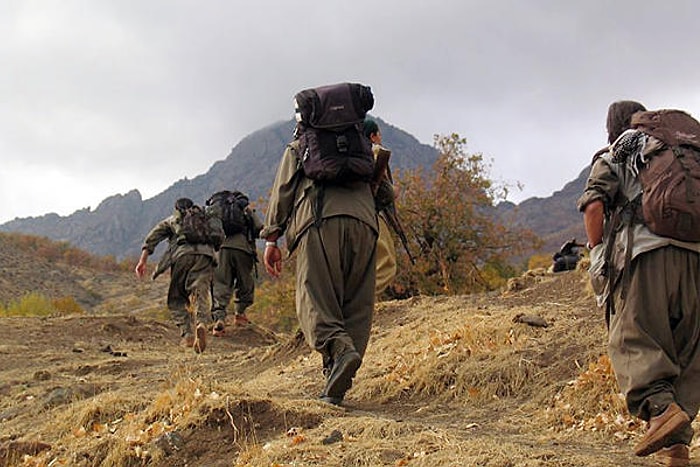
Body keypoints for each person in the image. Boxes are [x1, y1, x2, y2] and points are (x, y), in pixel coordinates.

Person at [578, 100, 700, 466]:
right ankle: (675, 448)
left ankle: (661, 411)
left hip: (646, 258)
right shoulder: (682, 152)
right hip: (697, 260)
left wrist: (597, 249)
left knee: (632, 339)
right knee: (687, 353)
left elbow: (595, 206)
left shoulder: (622, 149)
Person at [261, 95, 378, 406]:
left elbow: (283, 190)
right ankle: (336, 381)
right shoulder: (362, 143)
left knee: (313, 297)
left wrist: (272, 239)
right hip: (366, 225)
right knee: (355, 303)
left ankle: (339, 351)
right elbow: (386, 192)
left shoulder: (301, 146)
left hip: (319, 220)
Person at [135, 197, 223, 353]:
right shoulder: (204, 219)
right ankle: (201, 323)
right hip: (206, 256)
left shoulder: (173, 220)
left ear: (177, 208)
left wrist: (142, 261)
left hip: (182, 256)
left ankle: (187, 334)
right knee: (200, 292)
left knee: (176, 298)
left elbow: (152, 238)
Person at [209, 193, 263, 336]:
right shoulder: (244, 207)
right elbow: (258, 227)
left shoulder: (218, 209)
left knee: (221, 283)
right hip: (243, 248)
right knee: (244, 281)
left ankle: (219, 320)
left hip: (221, 249)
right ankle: (240, 314)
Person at [364, 119, 398, 295]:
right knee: (386, 263)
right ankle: (362, 301)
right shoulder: (376, 153)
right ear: (372, 136)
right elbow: (387, 193)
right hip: (369, 214)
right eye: (379, 134)